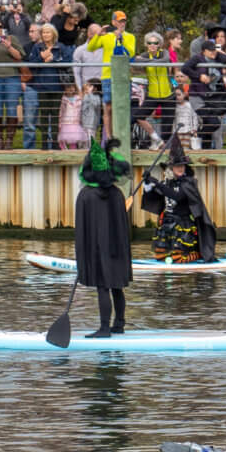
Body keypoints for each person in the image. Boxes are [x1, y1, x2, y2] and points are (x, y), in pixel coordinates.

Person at [73, 138, 136, 337]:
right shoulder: (117, 194)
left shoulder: (85, 196)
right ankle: (119, 324)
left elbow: (82, 230)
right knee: (117, 286)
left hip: (97, 249)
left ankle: (104, 328)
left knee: (103, 287)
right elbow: (123, 226)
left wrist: (83, 256)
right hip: (118, 247)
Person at [139, 135, 219, 263]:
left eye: (182, 165)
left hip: (183, 224)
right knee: (159, 256)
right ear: (171, 167)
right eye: (177, 166)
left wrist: (157, 183)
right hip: (167, 223)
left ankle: (196, 255)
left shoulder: (190, 182)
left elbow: (178, 197)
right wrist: (148, 183)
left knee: (179, 257)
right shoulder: (167, 182)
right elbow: (157, 195)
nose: (180, 168)